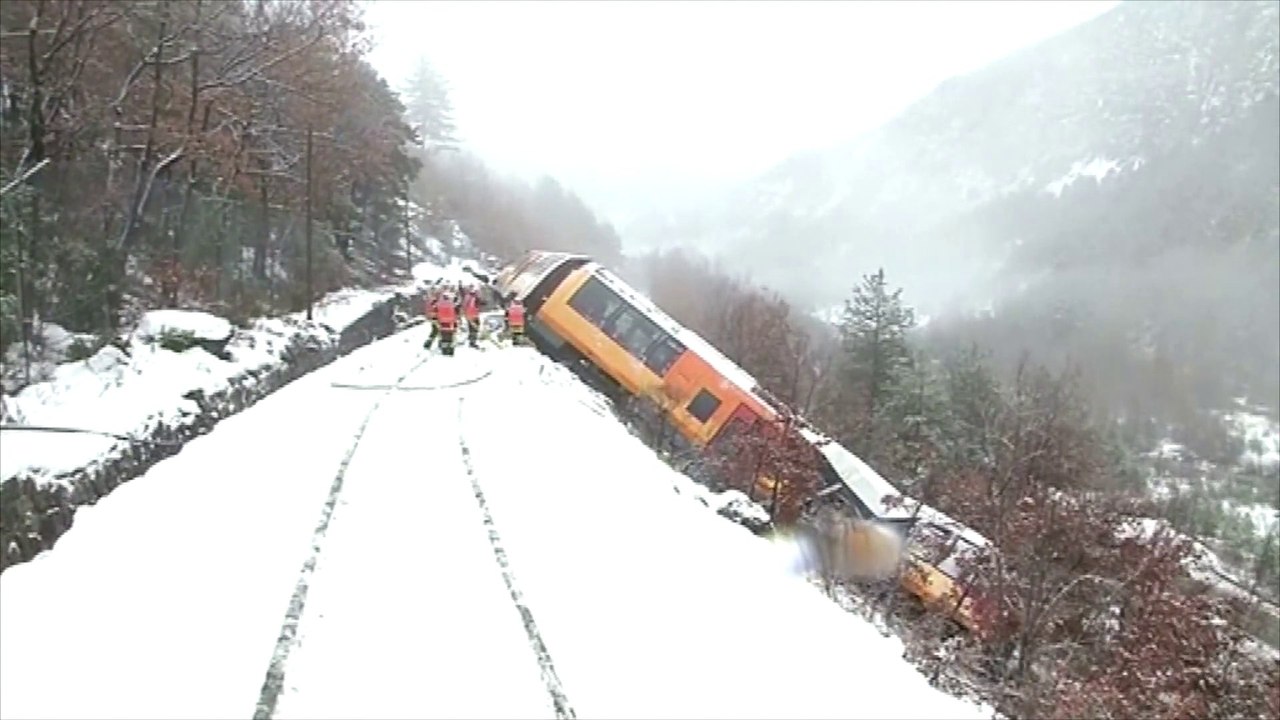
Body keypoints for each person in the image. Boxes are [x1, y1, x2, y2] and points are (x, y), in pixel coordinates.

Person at [436, 290, 458, 356]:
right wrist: (456, 324)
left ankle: (444, 351)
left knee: (444, 337)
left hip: (442, 323)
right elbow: (455, 313)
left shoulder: (439, 304)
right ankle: (451, 351)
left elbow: (436, 312)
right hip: (451, 323)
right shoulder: (452, 304)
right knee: (450, 337)